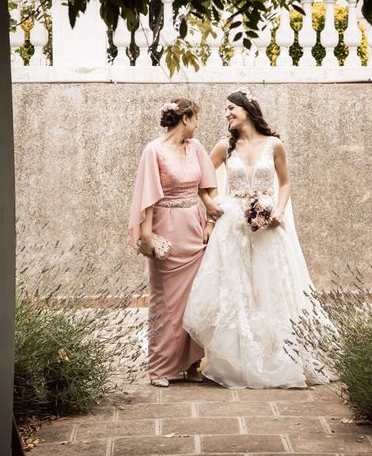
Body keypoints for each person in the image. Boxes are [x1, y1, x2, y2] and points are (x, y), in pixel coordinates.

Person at [183, 88, 336, 389]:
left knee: (271, 287)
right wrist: (211, 204)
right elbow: (200, 179)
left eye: (231, 109)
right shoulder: (223, 148)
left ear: (247, 109)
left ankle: (277, 352)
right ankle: (239, 359)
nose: (226, 114)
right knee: (238, 289)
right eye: (225, 110)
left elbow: (285, 182)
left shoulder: (274, 144)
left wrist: (278, 209)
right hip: (233, 228)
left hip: (268, 226)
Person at [128, 98, 221, 388]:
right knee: (163, 299)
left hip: (194, 228)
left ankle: (193, 365)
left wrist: (210, 223)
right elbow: (148, 198)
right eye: (196, 119)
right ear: (186, 118)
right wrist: (146, 237)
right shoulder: (153, 150)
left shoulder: (196, 148)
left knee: (196, 297)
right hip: (166, 228)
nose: (198, 124)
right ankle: (159, 367)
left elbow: (208, 189)